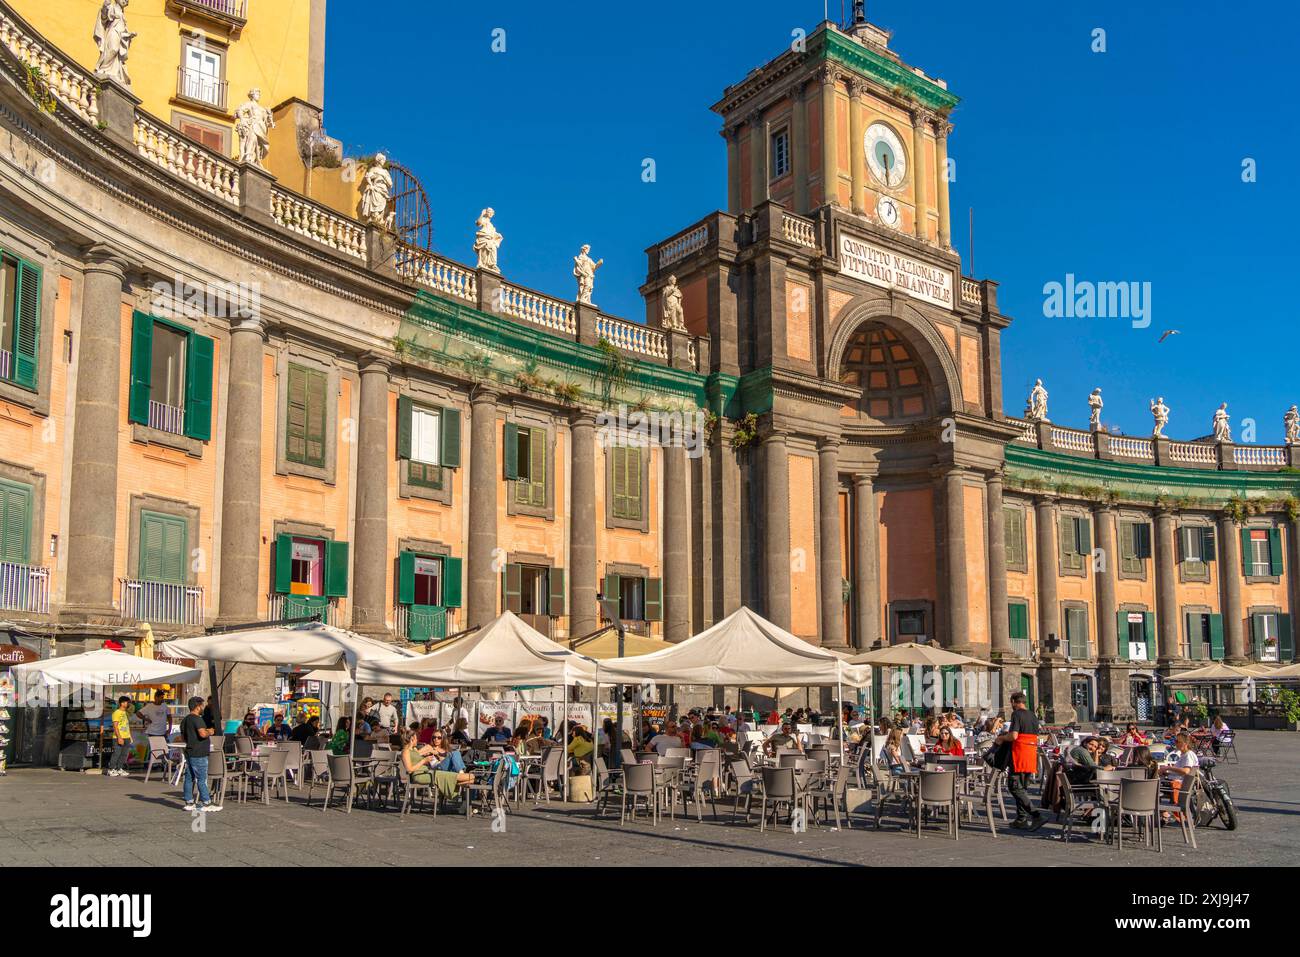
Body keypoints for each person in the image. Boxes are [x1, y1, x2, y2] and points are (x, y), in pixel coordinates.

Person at [996, 691, 1045, 830]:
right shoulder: (1033, 715)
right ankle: (1021, 819)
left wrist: (1002, 738)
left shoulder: (1016, 714)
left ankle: (1036, 816)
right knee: (1022, 788)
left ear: (1013, 702)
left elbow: (1014, 736)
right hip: (1031, 753)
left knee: (1014, 787)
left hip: (1019, 754)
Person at [179, 695, 221, 812]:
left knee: (189, 777)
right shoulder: (197, 719)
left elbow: (183, 737)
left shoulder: (185, 719)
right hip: (199, 753)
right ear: (197, 707)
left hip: (190, 751)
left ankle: (189, 802)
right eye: (202, 705)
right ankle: (206, 802)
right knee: (201, 779)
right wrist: (210, 731)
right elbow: (202, 734)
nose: (203, 707)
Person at [1162, 731, 1199, 819]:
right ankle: (1164, 813)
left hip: (1179, 785)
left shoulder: (1188, 755)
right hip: (1177, 782)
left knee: (1154, 787)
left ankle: (1163, 813)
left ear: (1185, 743)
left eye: (1177, 741)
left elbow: (1186, 771)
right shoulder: (1184, 755)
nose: (1175, 743)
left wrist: (1168, 768)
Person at [106, 696, 134, 777]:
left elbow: (126, 725)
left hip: (126, 737)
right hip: (118, 737)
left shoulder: (125, 713)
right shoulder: (116, 712)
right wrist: (119, 737)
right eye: (126, 702)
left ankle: (119, 768)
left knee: (124, 754)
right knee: (117, 753)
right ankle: (111, 769)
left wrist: (130, 736)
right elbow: (115, 726)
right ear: (121, 703)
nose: (127, 704)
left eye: (128, 702)